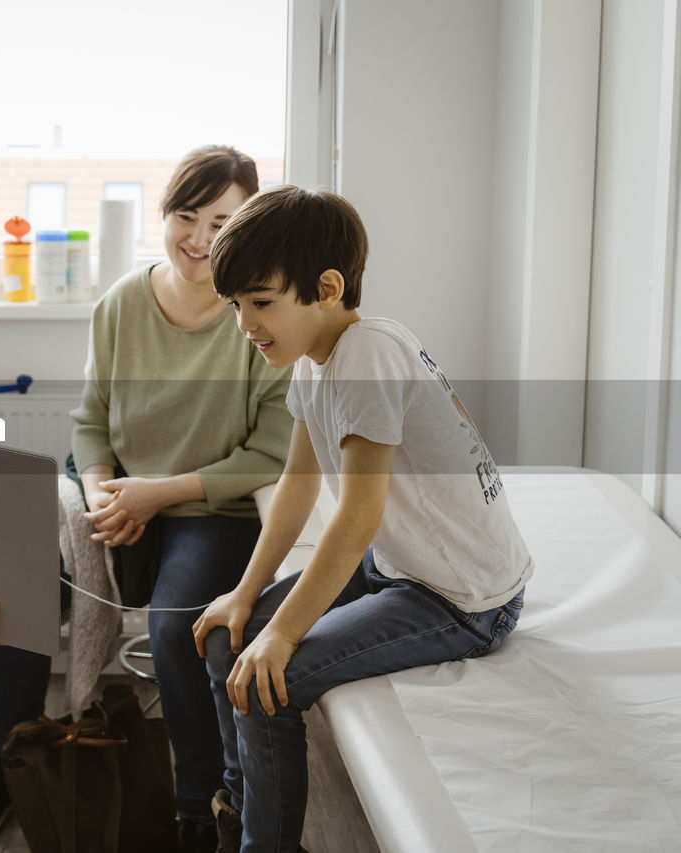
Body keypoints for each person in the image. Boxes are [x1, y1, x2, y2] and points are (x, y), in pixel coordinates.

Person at [0, 145, 293, 852]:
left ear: (250, 225)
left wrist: (154, 494)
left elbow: (269, 454)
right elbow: (89, 421)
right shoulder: (122, 302)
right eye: (186, 216)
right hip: (117, 499)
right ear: (164, 214)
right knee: (18, 580)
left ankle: (196, 807)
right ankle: (8, 756)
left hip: (208, 510)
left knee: (180, 627)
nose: (200, 239)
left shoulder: (261, 316)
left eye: (222, 221)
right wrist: (98, 491)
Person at [192, 185, 533, 853]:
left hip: (462, 597)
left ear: (325, 288)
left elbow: (354, 516)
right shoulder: (314, 362)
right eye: (236, 305)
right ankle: (237, 801)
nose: (245, 325)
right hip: (396, 566)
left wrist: (283, 635)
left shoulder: (369, 354)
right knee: (223, 641)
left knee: (269, 681)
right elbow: (297, 484)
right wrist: (244, 595)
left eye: (261, 302)